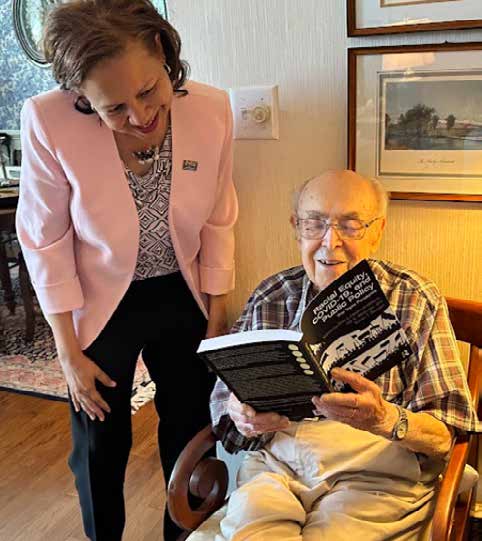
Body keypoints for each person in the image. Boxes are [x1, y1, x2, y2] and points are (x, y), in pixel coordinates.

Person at [16, 1, 238, 539]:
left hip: (180, 291)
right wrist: (67, 352)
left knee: (190, 424)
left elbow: (217, 217)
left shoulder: (212, 109)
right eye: (113, 107)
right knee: (98, 439)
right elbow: (46, 238)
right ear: (79, 97)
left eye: (147, 91)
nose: (139, 116)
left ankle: (181, 535)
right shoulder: (49, 120)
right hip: (100, 299)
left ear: (162, 52)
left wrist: (216, 314)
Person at [209, 170, 480, 540]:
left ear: (377, 231)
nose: (329, 242)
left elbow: (448, 430)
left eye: (351, 226)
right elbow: (223, 404)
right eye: (314, 223)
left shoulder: (413, 298)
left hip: (374, 473)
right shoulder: (272, 295)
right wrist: (241, 416)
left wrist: (385, 418)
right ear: (296, 226)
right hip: (275, 467)